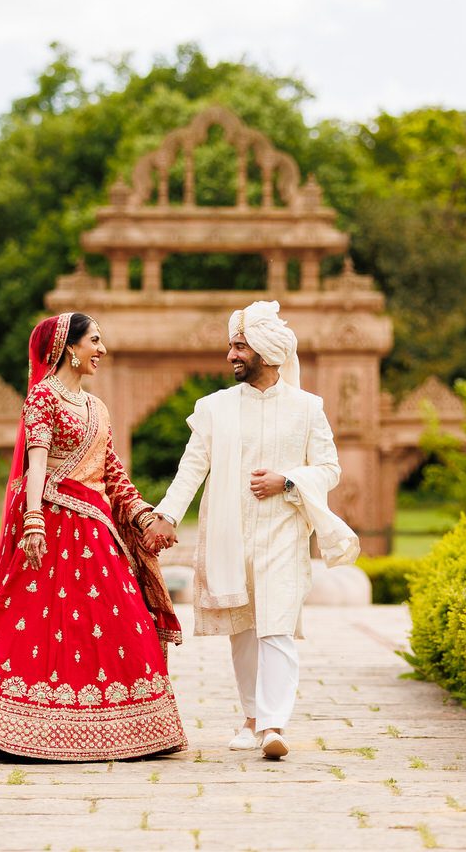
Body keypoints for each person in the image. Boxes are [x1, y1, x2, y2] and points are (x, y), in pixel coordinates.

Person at [0, 312, 188, 761]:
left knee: (117, 622)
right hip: (54, 526)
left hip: (97, 532)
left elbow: (112, 473)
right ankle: (16, 724)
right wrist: (34, 520)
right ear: (69, 348)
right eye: (94, 341)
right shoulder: (44, 397)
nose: (101, 350)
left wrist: (142, 517)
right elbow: (34, 464)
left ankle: (124, 727)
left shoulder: (97, 408)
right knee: (39, 623)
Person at [144, 300, 359, 760]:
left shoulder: (307, 408)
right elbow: (192, 467)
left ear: (266, 351)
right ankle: (252, 718)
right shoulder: (214, 408)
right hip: (228, 530)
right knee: (242, 627)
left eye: (239, 346)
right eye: (231, 346)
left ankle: (274, 724)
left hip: (283, 528)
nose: (231, 356)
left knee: (276, 625)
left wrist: (288, 479)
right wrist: (167, 515)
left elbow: (329, 468)